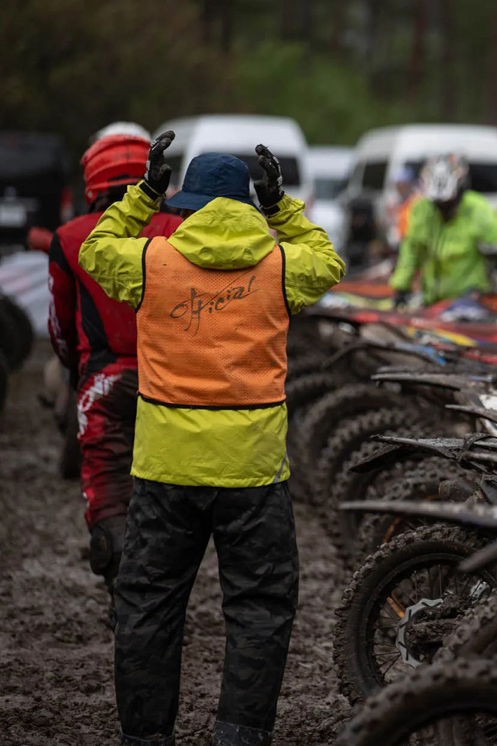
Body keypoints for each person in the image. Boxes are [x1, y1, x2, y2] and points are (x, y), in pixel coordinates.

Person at [79, 132, 345, 746]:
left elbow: (95, 248)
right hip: (253, 474)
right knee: (258, 609)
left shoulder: (151, 261)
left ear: (186, 205)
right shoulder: (279, 267)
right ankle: (239, 734)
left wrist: (143, 196)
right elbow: (328, 259)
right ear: (250, 205)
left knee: (147, 606)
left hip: (164, 469)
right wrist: (283, 208)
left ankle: (147, 737)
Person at [42, 123, 183, 614]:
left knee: (106, 496)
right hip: (170, 382)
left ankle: (122, 599)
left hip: (102, 383)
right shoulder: (178, 230)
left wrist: (75, 373)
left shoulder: (70, 237)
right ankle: (160, 601)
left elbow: (60, 325)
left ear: (93, 180)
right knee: (165, 494)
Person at [388, 153, 497, 307]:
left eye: (448, 202)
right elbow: (410, 252)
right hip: (432, 299)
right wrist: (401, 287)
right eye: (437, 204)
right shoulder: (421, 209)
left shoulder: (478, 209)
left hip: (469, 296)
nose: (442, 208)